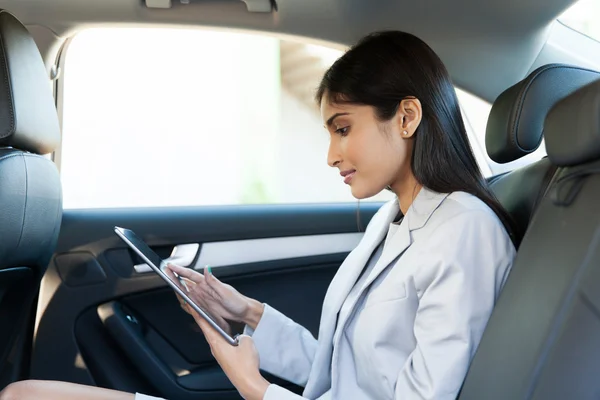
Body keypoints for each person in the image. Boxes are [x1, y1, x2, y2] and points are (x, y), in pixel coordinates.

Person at [0, 30, 517, 400]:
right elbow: (339, 369)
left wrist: (254, 386)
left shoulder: (464, 230)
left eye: (342, 128)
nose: (331, 156)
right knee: (25, 393)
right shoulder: (394, 221)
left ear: (406, 116)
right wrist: (244, 312)